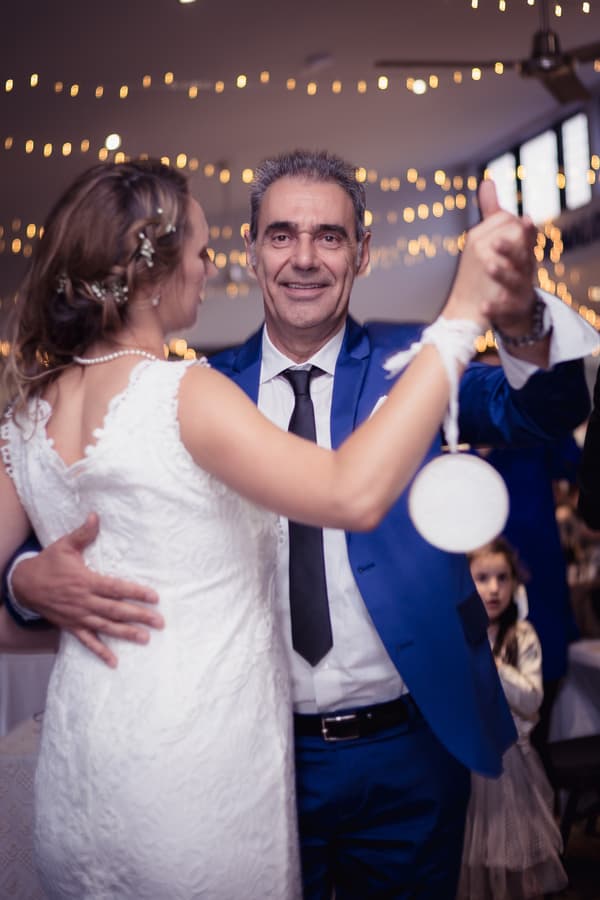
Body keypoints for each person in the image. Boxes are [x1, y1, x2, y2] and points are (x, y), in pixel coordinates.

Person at [2, 150, 596, 899]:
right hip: (252, 748)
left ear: (363, 252)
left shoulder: (413, 366)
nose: (305, 258)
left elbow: (545, 412)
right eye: (281, 235)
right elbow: (80, 530)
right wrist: (23, 579)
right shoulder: (195, 390)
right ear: (251, 253)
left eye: (330, 237)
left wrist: (521, 319)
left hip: (409, 749)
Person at [458, 537, 568, 900]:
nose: (494, 588)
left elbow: (532, 699)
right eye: (482, 578)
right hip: (466, 768)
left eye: (502, 578)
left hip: (511, 768)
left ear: (515, 583)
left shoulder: (522, 636)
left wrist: (494, 666)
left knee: (514, 860)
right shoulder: (458, 637)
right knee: (472, 861)